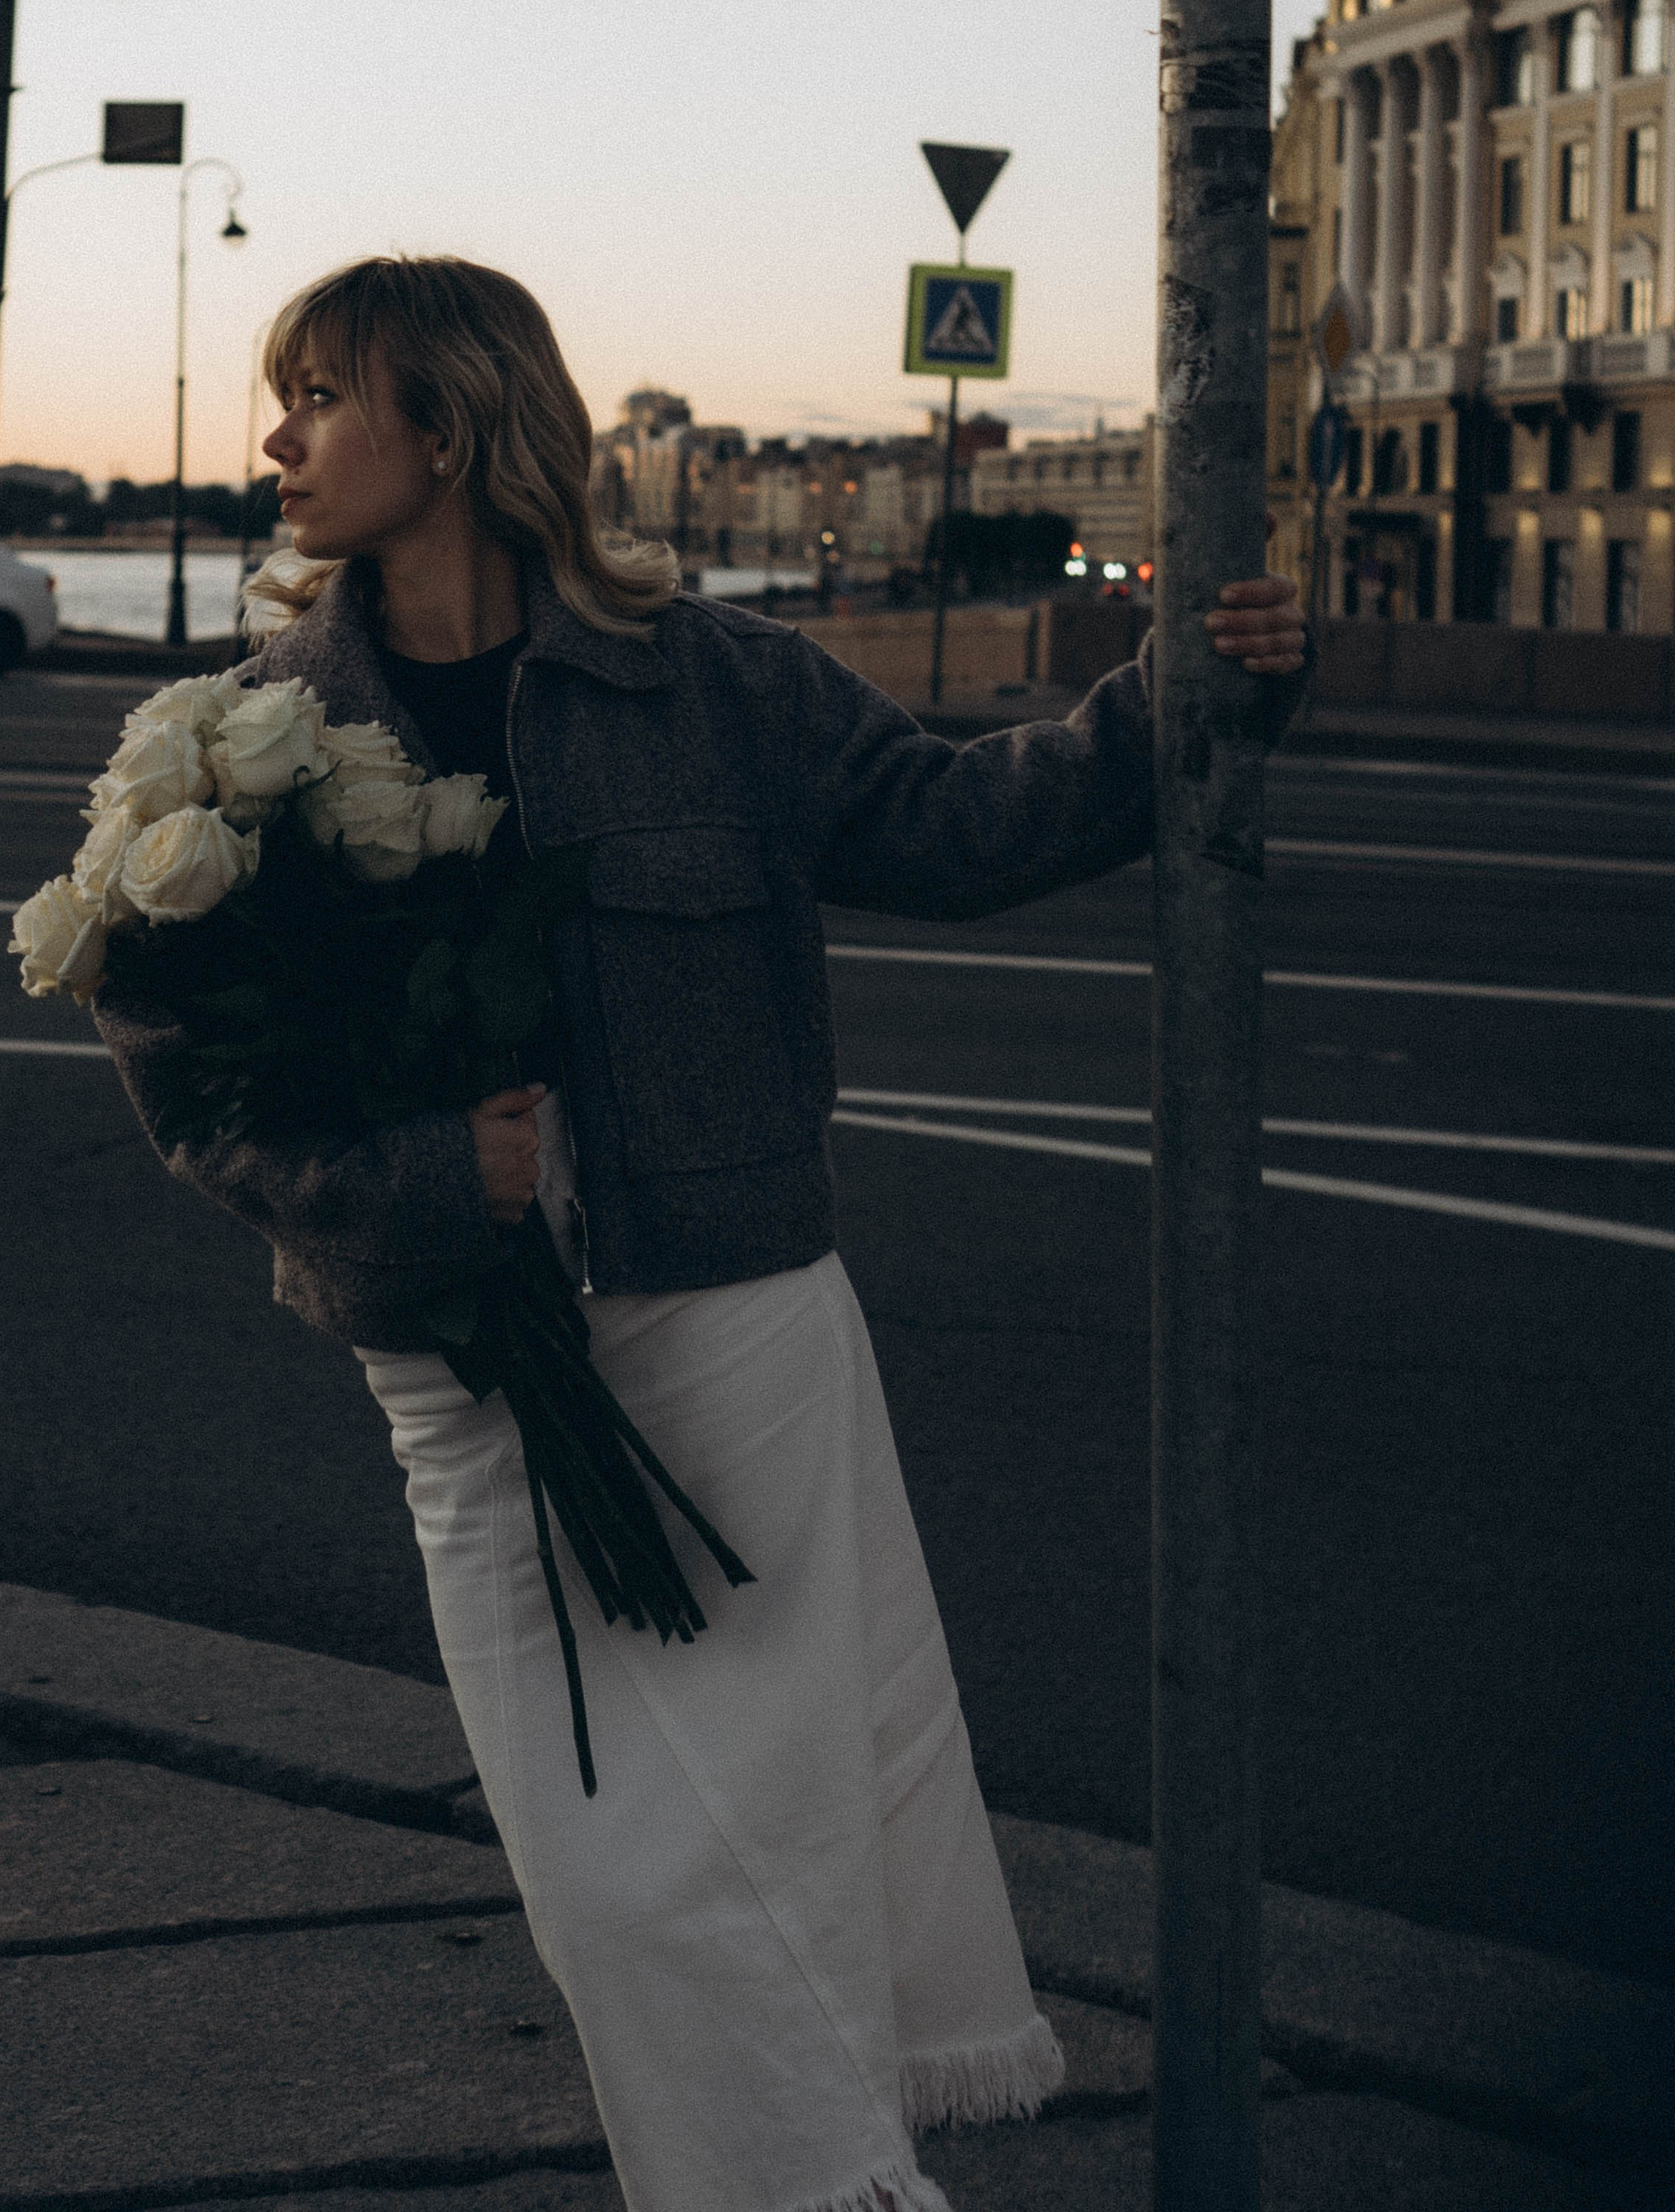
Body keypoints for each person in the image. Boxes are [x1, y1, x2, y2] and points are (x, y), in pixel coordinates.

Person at [96, 255, 1309, 2212]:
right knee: (612, 1877)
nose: (279, 441)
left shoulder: (708, 680)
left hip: (732, 1324)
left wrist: (1190, 693)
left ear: (455, 424)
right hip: (457, 1363)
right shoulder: (241, 743)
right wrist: (428, 1180)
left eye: (321, 396)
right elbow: (199, 1088)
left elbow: (957, 824)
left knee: (784, 1830)